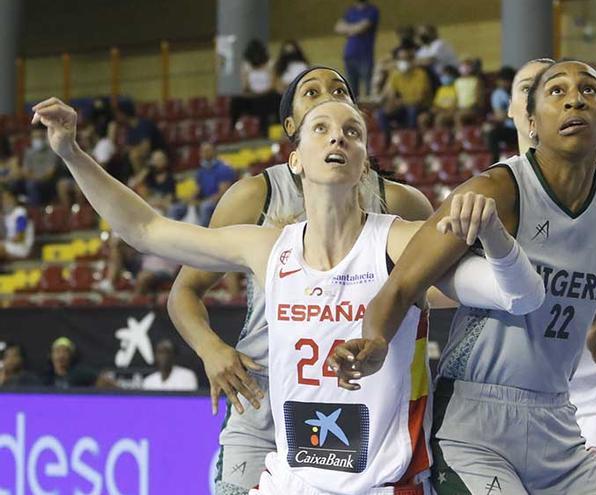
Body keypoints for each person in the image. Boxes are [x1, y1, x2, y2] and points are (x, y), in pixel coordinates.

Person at [34, 94, 544, 495]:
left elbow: (520, 297)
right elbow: (145, 229)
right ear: (295, 159)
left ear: (364, 162)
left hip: (384, 485)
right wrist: (72, 154)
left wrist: (496, 237)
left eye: (352, 132)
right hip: (289, 481)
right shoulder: (268, 248)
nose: (337, 138)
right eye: (320, 128)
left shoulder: (400, 239)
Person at [333, 59, 596, 494]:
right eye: (556, 92)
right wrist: (375, 341)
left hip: (557, 420)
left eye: (589, 90)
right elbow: (403, 283)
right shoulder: (494, 191)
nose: (575, 99)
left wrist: (595, 320)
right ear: (532, 122)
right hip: (474, 421)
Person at [168, 66, 435, 494]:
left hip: (360, 407)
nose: (328, 95)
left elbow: (434, 289)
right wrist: (210, 348)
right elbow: (184, 290)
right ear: (292, 129)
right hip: (263, 400)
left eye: (340, 91)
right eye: (312, 92)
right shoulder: (255, 196)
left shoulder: (399, 202)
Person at [490, 57, 596, 489]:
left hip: (594, 377)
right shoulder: (495, 188)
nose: (566, 100)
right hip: (519, 385)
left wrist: (586, 286)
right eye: (538, 88)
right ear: (517, 110)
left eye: (575, 92)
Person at [378, 46, 433, 138]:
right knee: (382, 113)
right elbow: (391, 94)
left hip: (421, 107)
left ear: (412, 60)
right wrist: (392, 103)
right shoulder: (396, 75)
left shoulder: (421, 74)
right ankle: (387, 139)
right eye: (400, 59)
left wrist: (402, 102)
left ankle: (410, 138)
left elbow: (419, 99)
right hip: (403, 106)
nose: (403, 62)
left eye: (406, 59)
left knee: (412, 109)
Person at [335, 0, 380, 98]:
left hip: (365, 56)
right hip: (349, 55)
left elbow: (361, 28)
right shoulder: (351, 11)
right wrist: (354, 29)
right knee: (351, 92)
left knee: (369, 90)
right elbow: (338, 27)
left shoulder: (372, 11)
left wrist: (348, 29)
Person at [234, 39, 278, 133]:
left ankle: (266, 130)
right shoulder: (246, 66)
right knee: (236, 101)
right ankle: (233, 128)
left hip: (267, 95)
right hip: (253, 96)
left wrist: (263, 93)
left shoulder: (270, 64)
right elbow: (245, 87)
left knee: (271, 99)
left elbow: (273, 85)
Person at [22, 124, 69, 206]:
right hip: (35, 181)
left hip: (50, 183)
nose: (37, 139)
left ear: (45, 137)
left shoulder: (52, 151)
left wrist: (36, 178)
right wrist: (35, 178)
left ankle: (36, 210)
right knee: (20, 183)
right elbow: (26, 172)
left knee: (31, 185)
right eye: (35, 137)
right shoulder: (29, 152)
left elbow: (50, 173)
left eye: (40, 137)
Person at [195, 142, 237, 226]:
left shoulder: (223, 168)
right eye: (203, 151)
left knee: (205, 206)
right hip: (207, 199)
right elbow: (198, 191)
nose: (205, 153)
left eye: (208, 150)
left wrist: (211, 199)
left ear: (214, 151)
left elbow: (224, 191)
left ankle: (204, 234)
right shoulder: (201, 171)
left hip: (221, 200)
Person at [485, 65, 518, 162]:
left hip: (524, 129)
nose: (504, 83)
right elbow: (500, 116)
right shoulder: (498, 94)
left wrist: (506, 114)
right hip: (511, 129)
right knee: (492, 133)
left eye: (507, 81)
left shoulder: (521, 92)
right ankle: (495, 161)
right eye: (502, 80)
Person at [0, 187, 34, 261]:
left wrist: (7, 241)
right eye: (3, 199)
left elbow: (20, 236)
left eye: (7, 198)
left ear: (14, 199)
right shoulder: (8, 214)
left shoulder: (20, 212)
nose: (4, 201)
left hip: (21, 247)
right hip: (10, 245)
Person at [452, 58, 484, 128]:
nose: (465, 68)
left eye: (467, 65)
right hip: (460, 108)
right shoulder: (457, 82)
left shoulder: (476, 80)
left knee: (460, 117)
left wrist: (475, 106)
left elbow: (479, 97)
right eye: (463, 65)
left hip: (473, 108)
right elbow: (456, 97)